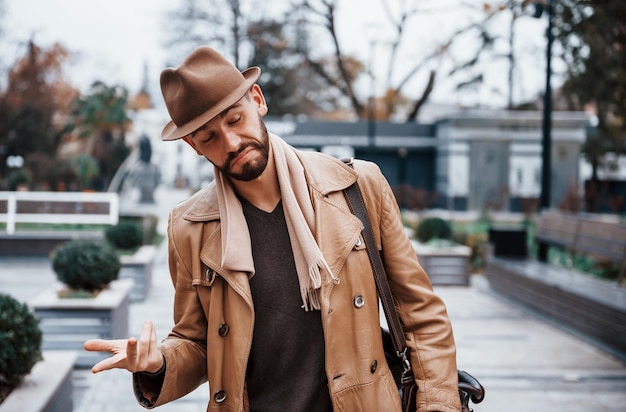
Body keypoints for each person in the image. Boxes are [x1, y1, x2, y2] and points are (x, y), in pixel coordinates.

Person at [84, 46, 462, 411]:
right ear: (192, 145)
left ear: (258, 100)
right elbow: (198, 342)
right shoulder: (189, 227)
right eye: (209, 137)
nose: (231, 142)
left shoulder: (356, 186)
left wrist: (437, 406)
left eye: (235, 119)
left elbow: (421, 315)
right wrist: (158, 365)